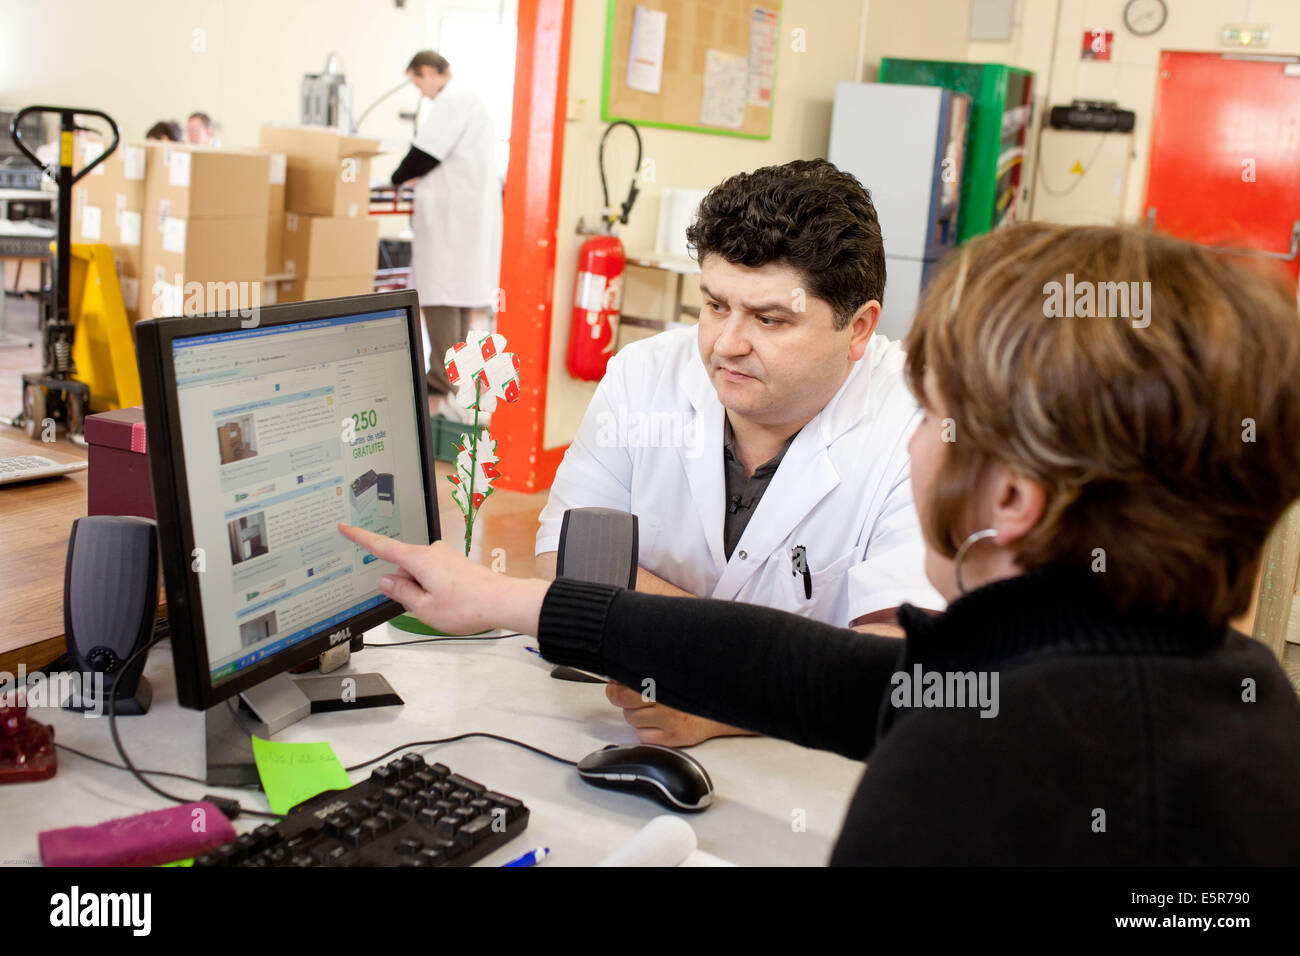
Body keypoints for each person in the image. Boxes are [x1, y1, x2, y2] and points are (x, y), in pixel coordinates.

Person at [340, 222, 1300, 864]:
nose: (918, 441)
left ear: (1009, 497)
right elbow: (811, 672)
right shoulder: (1214, 693)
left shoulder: (981, 770)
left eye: (942, 421)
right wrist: (504, 599)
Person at [534, 160, 942, 746]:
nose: (726, 344)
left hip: (814, 772)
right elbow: (564, 562)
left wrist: (719, 697)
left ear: (858, 329)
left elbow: (902, 669)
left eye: (770, 319)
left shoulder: (923, 422)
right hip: (617, 725)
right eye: (716, 305)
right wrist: (776, 663)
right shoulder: (643, 377)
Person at [391, 50, 502, 424]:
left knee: (439, 290)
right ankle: (452, 377)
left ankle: (440, 381)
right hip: (466, 214)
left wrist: (393, 179)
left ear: (428, 72)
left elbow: (424, 154)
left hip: (451, 215)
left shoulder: (453, 99)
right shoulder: (471, 99)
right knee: (457, 294)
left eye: (418, 82)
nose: (421, 91)